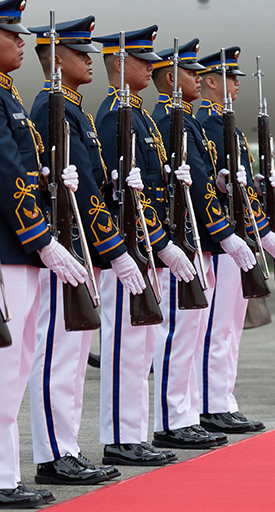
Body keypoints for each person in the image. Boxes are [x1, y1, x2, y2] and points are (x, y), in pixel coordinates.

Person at [0, 0, 89, 509]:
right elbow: (3, 176)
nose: (22, 43)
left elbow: (23, 172)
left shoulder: (7, 98)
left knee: (17, 365)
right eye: (11, 34)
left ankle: (3, 472)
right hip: (4, 249)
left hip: (19, 250)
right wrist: (42, 238)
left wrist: (51, 181)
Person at [27, 16, 133, 485]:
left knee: (72, 357)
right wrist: (109, 245)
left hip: (82, 248)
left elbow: (92, 183)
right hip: (66, 247)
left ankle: (66, 447)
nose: (90, 60)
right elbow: (76, 189)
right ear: (55, 60)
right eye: (79, 53)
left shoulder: (75, 111)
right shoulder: (52, 107)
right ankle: (53, 455)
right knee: (56, 354)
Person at [93, 26, 179, 468]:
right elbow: (118, 192)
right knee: (125, 344)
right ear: (120, 65)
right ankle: (119, 436)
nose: (151, 67)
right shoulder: (114, 116)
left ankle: (134, 432)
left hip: (147, 242)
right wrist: (152, 242)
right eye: (143, 61)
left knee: (142, 345)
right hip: (129, 245)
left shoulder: (141, 115)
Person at [195, 47, 275, 431]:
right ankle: (210, 404)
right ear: (213, 81)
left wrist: (262, 228)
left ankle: (222, 399)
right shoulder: (205, 125)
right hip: (219, 241)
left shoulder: (229, 126)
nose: (236, 85)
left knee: (230, 328)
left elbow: (243, 189)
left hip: (238, 239)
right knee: (215, 328)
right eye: (231, 78)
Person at [148, 40, 231, 450]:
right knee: (178, 332)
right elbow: (194, 182)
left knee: (192, 332)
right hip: (183, 236)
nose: (199, 78)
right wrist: (224, 233)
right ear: (169, 79)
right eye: (190, 73)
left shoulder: (186, 119)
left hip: (197, 239)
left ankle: (187, 414)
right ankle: (172, 420)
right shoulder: (169, 119)